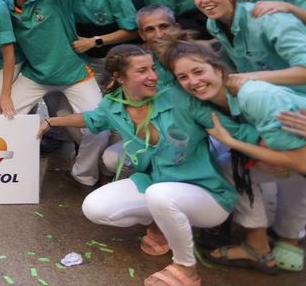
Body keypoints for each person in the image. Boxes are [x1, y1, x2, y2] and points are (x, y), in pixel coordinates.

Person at [38, 45, 257, 286]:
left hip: (207, 196)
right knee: (94, 208)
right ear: (119, 77)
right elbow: (90, 119)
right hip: (157, 185)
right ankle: (165, 225)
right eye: (142, 71)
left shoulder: (179, 99)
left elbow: (237, 131)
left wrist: (275, 151)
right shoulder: (113, 106)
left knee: (159, 195)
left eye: (153, 68)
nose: (153, 76)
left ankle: (187, 269)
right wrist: (51, 121)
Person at [168, 42, 306, 273]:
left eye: (198, 71)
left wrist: (236, 144)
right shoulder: (214, 102)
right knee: (233, 164)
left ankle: (271, 242)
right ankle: (267, 242)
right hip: (295, 156)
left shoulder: (253, 95)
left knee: (234, 166)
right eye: (183, 77)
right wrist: (259, 156)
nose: (193, 81)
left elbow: (300, 162)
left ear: (219, 69)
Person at [0, 0, 104, 186]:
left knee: (100, 127)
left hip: (74, 74)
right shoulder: (2, 0)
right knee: (3, 117)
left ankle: (83, 174)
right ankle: (13, 173)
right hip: (36, 76)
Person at [190, 0, 306, 92]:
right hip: (263, 92)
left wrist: (249, 78)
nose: (204, 0)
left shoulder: (268, 20)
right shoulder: (213, 24)